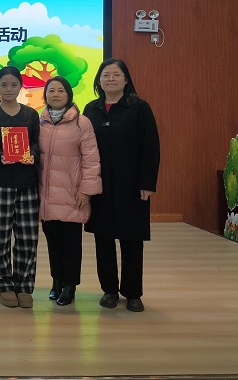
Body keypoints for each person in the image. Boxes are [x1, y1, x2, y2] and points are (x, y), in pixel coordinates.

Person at [83, 58, 160, 313]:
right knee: (103, 238)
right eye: (106, 75)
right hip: (100, 184)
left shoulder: (140, 108)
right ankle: (109, 290)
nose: (111, 79)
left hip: (132, 184)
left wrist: (147, 182)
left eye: (116, 75)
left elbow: (151, 147)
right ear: (99, 80)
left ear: (126, 80)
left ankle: (133, 293)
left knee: (131, 238)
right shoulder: (91, 109)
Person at [0, 65, 40, 309]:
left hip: (27, 184)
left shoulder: (31, 115)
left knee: (27, 237)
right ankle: (3, 284)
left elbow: (37, 143)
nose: (9, 89)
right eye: (4, 85)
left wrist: (32, 154)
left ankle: (24, 285)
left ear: (20, 86)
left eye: (14, 84)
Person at [38, 76, 102, 306]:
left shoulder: (81, 123)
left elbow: (91, 160)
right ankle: (56, 281)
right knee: (53, 242)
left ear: (69, 94)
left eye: (60, 90)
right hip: (46, 195)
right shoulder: (40, 122)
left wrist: (86, 190)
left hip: (72, 194)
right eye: (51, 90)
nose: (55, 94)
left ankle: (70, 286)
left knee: (72, 244)